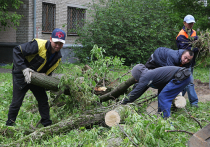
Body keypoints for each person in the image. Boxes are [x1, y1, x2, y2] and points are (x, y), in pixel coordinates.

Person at [6, 28, 66, 127]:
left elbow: (48, 72)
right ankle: (9, 125)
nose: (58, 45)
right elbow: (17, 50)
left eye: (60, 43)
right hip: (21, 75)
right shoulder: (38, 45)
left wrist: (46, 79)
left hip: (36, 78)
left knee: (43, 101)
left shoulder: (57, 57)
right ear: (50, 39)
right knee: (16, 102)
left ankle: (47, 124)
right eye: (56, 42)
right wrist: (24, 69)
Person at [121, 64, 191, 118]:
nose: (135, 79)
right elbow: (139, 90)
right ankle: (160, 116)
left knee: (164, 97)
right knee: (161, 95)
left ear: (137, 74)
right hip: (184, 75)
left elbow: (136, 92)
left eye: (135, 76)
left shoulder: (145, 76)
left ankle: (166, 121)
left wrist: (124, 102)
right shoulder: (149, 75)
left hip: (182, 76)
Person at [176, 14, 199, 107]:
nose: (191, 25)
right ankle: (194, 103)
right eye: (189, 23)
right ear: (184, 23)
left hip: (191, 62)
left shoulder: (194, 32)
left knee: (185, 82)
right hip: (184, 63)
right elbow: (185, 49)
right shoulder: (181, 35)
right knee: (189, 82)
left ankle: (178, 97)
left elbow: (196, 43)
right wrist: (195, 48)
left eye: (192, 23)